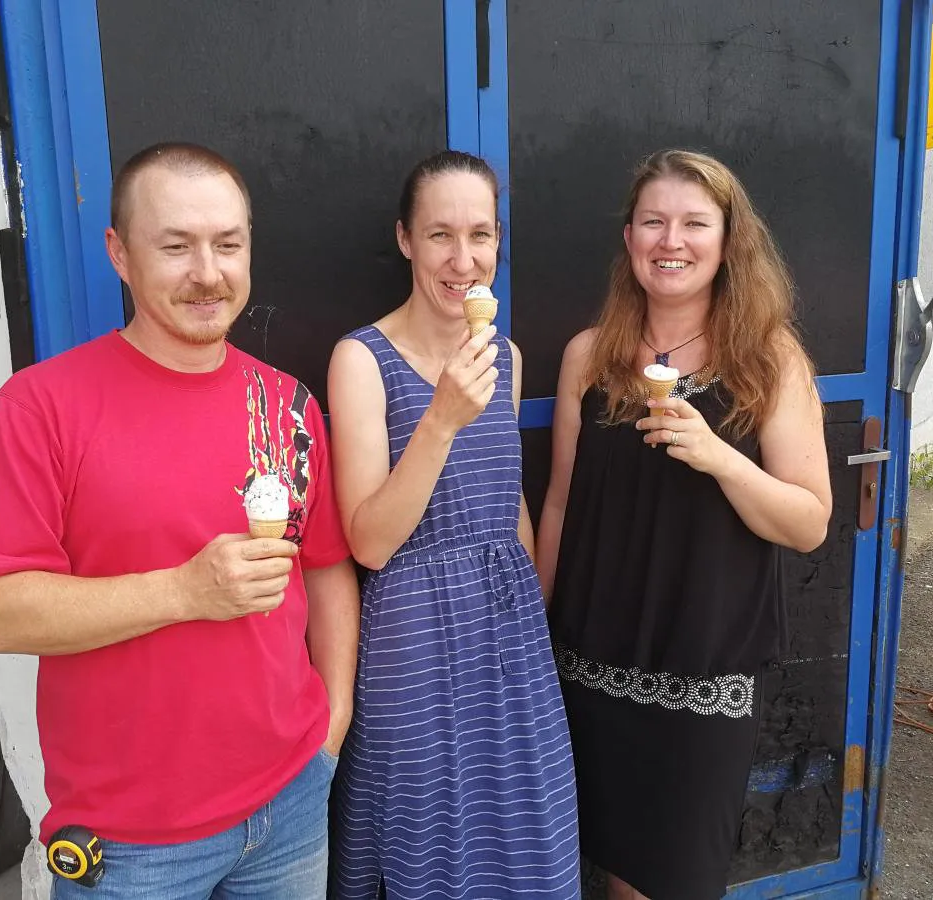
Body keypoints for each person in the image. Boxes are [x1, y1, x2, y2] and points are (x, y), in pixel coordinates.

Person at [0, 142, 359, 899]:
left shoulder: (286, 405)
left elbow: (326, 568)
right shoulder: (41, 408)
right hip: (130, 842)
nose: (208, 272)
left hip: (291, 803)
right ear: (119, 254)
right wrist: (184, 591)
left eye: (228, 244)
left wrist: (330, 727)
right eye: (175, 246)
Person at [537, 149, 832, 900]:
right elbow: (562, 503)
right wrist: (534, 631)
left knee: (676, 879)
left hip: (704, 671)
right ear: (629, 238)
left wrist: (718, 457)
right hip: (591, 659)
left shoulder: (769, 360)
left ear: (729, 241)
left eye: (695, 223)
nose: (672, 241)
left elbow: (809, 523)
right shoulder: (588, 357)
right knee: (612, 872)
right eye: (653, 222)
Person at [326, 150, 581, 899]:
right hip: (412, 635)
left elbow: (510, 499)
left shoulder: (506, 356)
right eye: (440, 235)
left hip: (508, 631)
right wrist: (440, 419)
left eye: (481, 235)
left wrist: (532, 610)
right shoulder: (361, 359)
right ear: (406, 239)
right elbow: (369, 541)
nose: (463, 260)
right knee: (425, 835)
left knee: (523, 827)